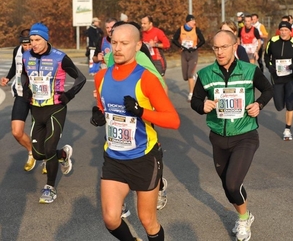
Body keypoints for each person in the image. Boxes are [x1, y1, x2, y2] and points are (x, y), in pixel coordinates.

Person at [90, 23, 180, 241]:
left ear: (138, 46)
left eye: (124, 43)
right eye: (114, 42)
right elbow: (106, 110)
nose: (118, 48)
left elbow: (173, 120)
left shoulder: (146, 78)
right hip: (114, 157)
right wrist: (98, 116)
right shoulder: (101, 77)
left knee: (147, 221)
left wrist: (141, 111)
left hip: (143, 157)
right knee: (111, 218)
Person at [191, 30, 273, 241]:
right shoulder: (206, 74)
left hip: (245, 135)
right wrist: (203, 105)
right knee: (229, 187)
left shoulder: (249, 70)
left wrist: (259, 104)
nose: (219, 52)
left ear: (234, 47)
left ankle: (244, 219)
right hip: (218, 137)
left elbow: (268, 89)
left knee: (232, 185)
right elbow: (196, 101)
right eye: (216, 48)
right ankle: (244, 211)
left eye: (224, 47)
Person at [22, 22, 86, 203]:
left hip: (55, 108)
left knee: (49, 148)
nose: (33, 43)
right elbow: (24, 74)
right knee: (37, 154)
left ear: (46, 39)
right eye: (32, 40)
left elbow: (80, 78)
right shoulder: (27, 56)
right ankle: (62, 155)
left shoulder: (60, 57)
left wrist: (69, 95)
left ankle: (49, 188)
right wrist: (26, 87)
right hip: (36, 108)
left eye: (37, 40)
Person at [1, 29, 41, 172]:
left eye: (29, 44)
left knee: (41, 132)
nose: (28, 48)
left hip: (39, 96)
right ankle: (32, 152)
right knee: (17, 132)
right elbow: (15, 66)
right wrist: (8, 77)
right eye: (24, 45)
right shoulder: (17, 51)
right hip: (21, 93)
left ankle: (49, 159)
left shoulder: (42, 52)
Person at [264, 21, 293, 141]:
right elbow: (266, 56)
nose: (283, 32)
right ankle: (282, 107)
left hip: (290, 78)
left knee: (290, 102)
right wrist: (269, 66)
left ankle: (287, 129)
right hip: (276, 78)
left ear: (290, 31)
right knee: (278, 106)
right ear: (279, 31)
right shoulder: (273, 41)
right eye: (281, 30)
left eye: (286, 30)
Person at [172, 14, 205, 102]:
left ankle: (191, 94)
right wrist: (180, 46)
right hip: (184, 53)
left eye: (194, 21)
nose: (194, 22)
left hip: (193, 53)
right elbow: (174, 39)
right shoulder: (181, 29)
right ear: (188, 21)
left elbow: (203, 40)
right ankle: (191, 78)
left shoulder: (196, 29)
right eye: (192, 21)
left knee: (190, 74)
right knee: (185, 76)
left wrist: (196, 47)